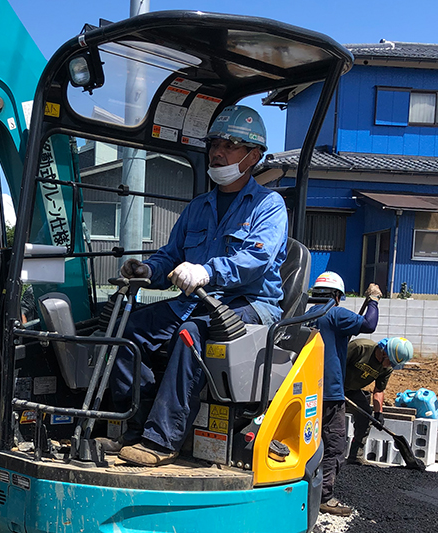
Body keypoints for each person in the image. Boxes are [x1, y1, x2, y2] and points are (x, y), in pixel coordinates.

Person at [105, 105, 289, 467]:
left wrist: (207, 271)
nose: (218, 152)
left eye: (230, 145)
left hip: (251, 306)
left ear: (253, 156)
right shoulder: (198, 208)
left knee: (192, 333)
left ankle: (163, 440)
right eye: (214, 144)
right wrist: (146, 268)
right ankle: (133, 427)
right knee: (124, 328)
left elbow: (256, 262)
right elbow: (171, 255)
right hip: (196, 303)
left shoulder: (270, 205)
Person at [308, 272, 380, 517]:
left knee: (308, 443)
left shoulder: (302, 313)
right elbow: (368, 324)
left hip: (304, 390)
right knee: (335, 445)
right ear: (337, 295)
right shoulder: (335, 313)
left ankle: (302, 491)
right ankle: (324, 497)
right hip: (329, 394)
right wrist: (373, 300)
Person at [345, 336, 413, 465]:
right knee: (330, 419)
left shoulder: (387, 368)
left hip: (352, 389)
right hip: (332, 386)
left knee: (365, 418)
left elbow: (379, 390)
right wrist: (334, 387)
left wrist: (378, 413)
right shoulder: (360, 348)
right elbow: (332, 364)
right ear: (384, 353)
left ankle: (355, 456)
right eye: (391, 362)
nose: (390, 366)